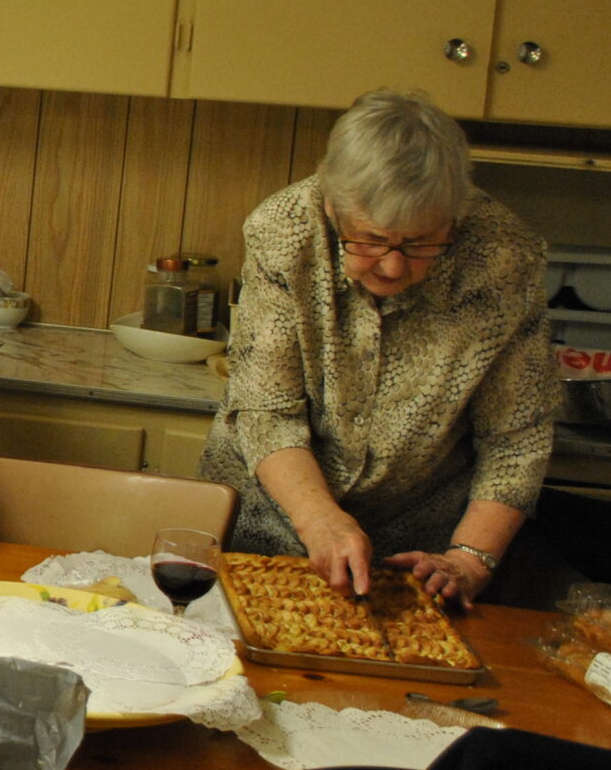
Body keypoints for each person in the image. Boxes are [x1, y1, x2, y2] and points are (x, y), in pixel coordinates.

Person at [198, 89, 555, 604]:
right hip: (262, 521)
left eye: (419, 243)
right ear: (330, 205)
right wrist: (320, 520)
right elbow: (266, 411)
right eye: (368, 239)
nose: (392, 266)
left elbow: (516, 438)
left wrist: (470, 558)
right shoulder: (283, 232)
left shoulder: (504, 258)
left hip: (416, 557)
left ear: (455, 216)